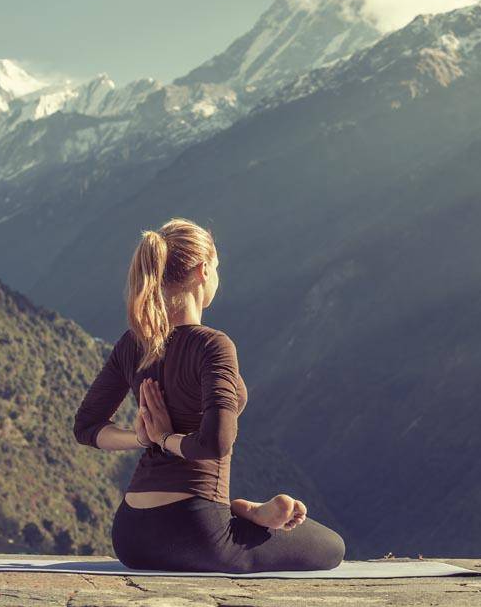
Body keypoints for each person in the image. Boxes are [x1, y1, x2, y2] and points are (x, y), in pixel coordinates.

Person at [72, 217, 345, 572]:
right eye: (217, 267)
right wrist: (163, 438)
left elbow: (86, 427)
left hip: (131, 534)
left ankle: (243, 510)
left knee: (239, 523)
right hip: (195, 529)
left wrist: (141, 439)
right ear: (202, 271)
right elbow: (215, 443)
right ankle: (243, 512)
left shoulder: (132, 344)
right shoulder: (213, 345)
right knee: (331, 548)